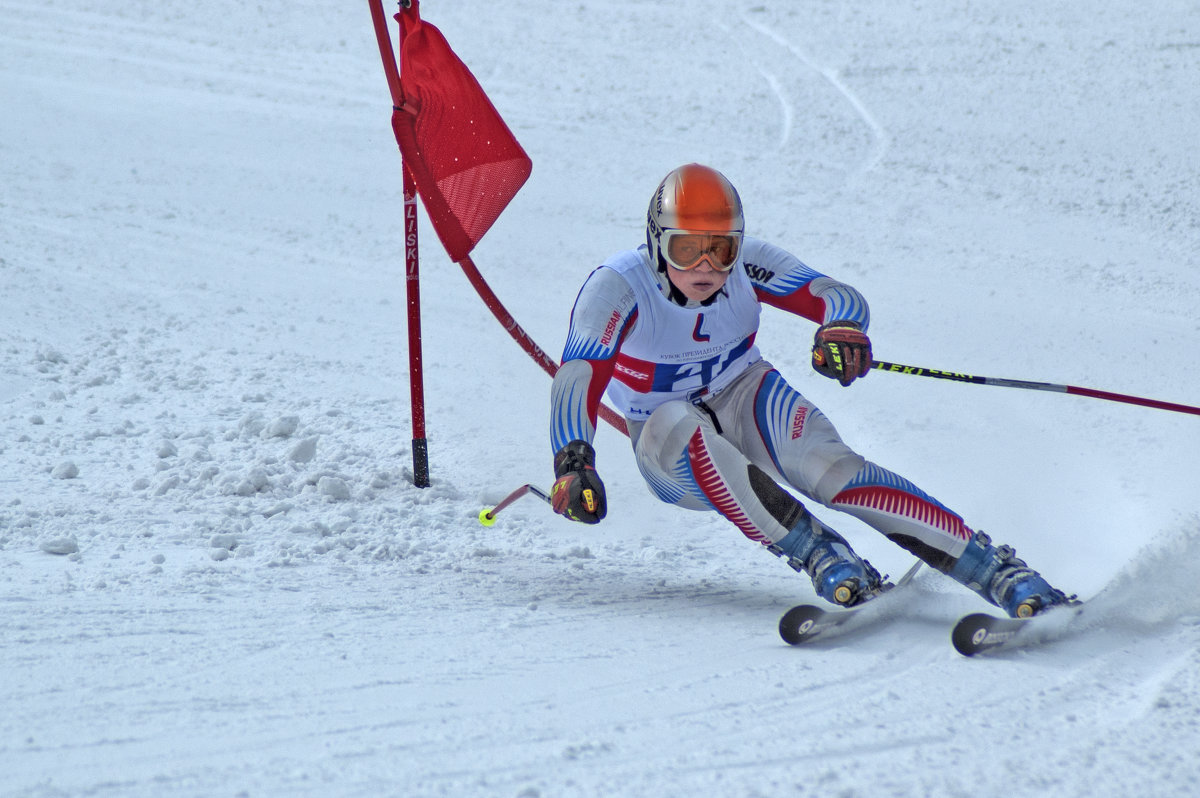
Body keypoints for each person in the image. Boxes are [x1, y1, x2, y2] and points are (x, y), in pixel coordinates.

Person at [548, 163, 1072, 618]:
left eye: (720, 249)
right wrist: (573, 462)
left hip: (743, 392)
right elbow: (578, 376)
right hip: (670, 450)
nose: (706, 267)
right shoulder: (617, 287)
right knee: (678, 426)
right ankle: (819, 553)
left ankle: (996, 571)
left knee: (831, 469)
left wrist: (841, 329)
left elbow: (832, 294)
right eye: (686, 249)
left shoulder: (747, 266)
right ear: (656, 242)